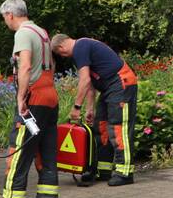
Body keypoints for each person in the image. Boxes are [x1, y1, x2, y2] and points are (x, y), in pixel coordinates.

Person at [0, 0, 60, 198]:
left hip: (35, 98)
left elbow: (26, 66)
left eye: (5, 18)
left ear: (10, 15)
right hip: (51, 97)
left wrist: (21, 97)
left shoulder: (22, 33)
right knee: (46, 149)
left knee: (19, 148)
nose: (6, 22)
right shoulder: (42, 32)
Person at [51, 34, 137, 186]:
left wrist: (77, 107)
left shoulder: (80, 47)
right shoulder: (82, 49)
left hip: (121, 83)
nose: (62, 56)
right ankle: (104, 171)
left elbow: (84, 80)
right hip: (109, 88)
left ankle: (125, 172)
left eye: (59, 54)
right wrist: (90, 108)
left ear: (61, 47)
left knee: (119, 127)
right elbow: (90, 83)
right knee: (101, 125)